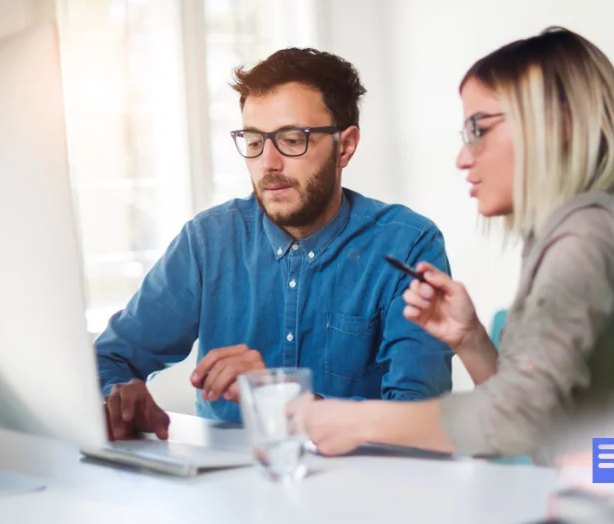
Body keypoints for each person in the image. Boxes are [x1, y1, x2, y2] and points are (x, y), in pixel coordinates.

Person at [297, 27, 614, 464]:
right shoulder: (577, 229)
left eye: (479, 128)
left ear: (560, 123)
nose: (463, 157)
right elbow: (538, 421)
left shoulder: (587, 238)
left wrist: (358, 422)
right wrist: (470, 338)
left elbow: (516, 419)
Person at [96, 48, 453, 440]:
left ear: (345, 146)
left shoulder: (408, 245)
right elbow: (110, 357)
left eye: (291, 139)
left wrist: (281, 395)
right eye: (253, 141)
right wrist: (118, 397)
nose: (268, 163)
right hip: (225, 492)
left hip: (357, 491)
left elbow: (424, 422)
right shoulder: (208, 241)